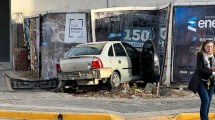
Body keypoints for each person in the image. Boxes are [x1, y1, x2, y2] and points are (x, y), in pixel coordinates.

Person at [188, 40, 215, 120]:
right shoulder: (200, 55)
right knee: (205, 100)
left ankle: (205, 118)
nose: (209, 48)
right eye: (208, 46)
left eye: (211, 46)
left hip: (211, 82)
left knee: (209, 102)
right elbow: (200, 69)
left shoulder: (214, 56)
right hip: (200, 81)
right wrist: (212, 71)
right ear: (204, 47)